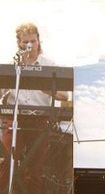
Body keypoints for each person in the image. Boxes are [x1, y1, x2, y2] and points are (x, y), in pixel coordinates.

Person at [0, 22, 68, 194]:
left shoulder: (49, 64)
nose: (29, 45)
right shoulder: (12, 63)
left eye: (33, 41)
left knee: (35, 168)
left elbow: (64, 96)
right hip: (14, 117)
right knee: (7, 162)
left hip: (39, 120)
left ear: (39, 41)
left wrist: (43, 87)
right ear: (19, 44)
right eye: (25, 42)